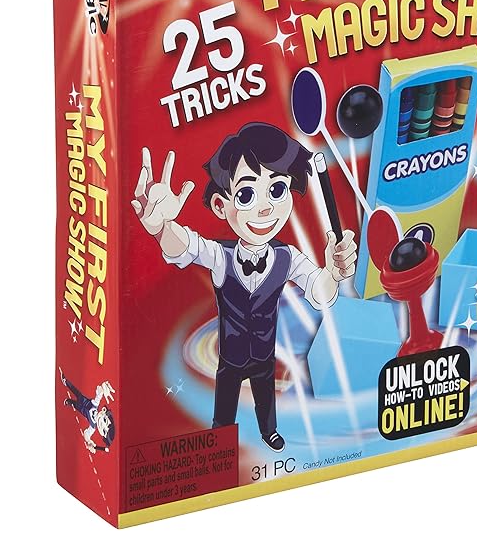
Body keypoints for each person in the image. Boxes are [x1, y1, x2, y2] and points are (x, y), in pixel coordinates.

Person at [131, 123, 357, 452]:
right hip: (230, 356)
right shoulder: (220, 256)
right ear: (220, 205)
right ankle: (220, 437)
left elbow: (321, 294)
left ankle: (269, 432)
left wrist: (334, 273)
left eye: (277, 190)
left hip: (265, 354)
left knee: (266, 397)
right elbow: (186, 246)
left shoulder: (288, 257)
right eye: (247, 195)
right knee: (225, 405)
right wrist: (162, 227)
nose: (264, 208)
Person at [59, 368, 115, 453]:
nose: (102, 423)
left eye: (104, 430)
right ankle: (65, 381)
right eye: (105, 420)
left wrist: (89, 441)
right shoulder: (95, 404)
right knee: (76, 392)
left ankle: (69, 401)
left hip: (81, 409)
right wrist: (103, 388)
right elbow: (99, 394)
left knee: (75, 405)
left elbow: (87, 434)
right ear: (104, 410)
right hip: (83, 400)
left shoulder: (93, 426)